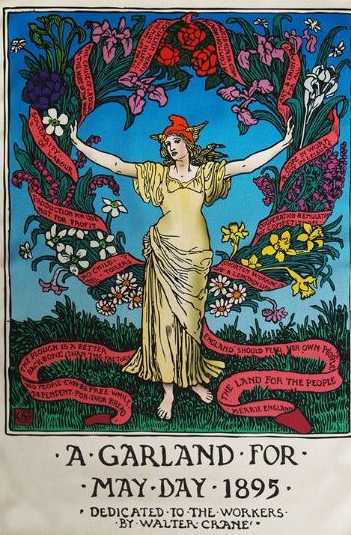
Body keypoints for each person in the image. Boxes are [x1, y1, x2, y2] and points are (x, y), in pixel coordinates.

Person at [69, 114, 293, 420]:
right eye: (168, 143)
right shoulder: (157, 175)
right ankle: (169, 392)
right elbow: (118, 166)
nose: (172, 147)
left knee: (190, 321)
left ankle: (193, 377)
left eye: (176, 141)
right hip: (164, 253)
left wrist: (282, 144)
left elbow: (245, 165)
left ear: (189, 143)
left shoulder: (206, 175)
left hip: (196, 255)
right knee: (164, 324)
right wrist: (79, 145)